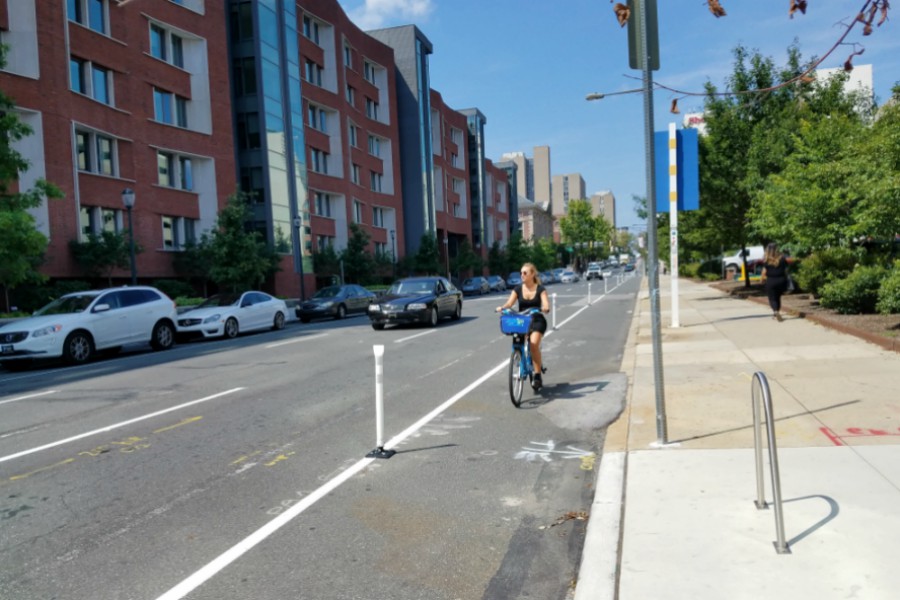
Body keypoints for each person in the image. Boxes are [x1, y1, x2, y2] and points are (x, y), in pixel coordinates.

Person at [496, 263, 550, 389]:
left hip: (537, 320)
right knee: (517, 340)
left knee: (533, 343)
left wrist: (545, 308)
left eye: (525, 273)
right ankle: (519, 356)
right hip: (523, 320)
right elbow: (509, 303)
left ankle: (537, 375)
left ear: (532, 274)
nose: (522, 275)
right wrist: (502, 308)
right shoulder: (517, 289)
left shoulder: (541, 289)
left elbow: (546, 303)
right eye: (521, 273)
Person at [761, 242, 790, 321]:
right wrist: (786, 280)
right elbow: (786, 270)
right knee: (778, 297)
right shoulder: (782, 259)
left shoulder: (766, 260)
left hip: (771, 280)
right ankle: (776, 313)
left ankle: (775, 311)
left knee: (772, 298)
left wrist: (762, 279)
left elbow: (764, 272)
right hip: (781, 280)